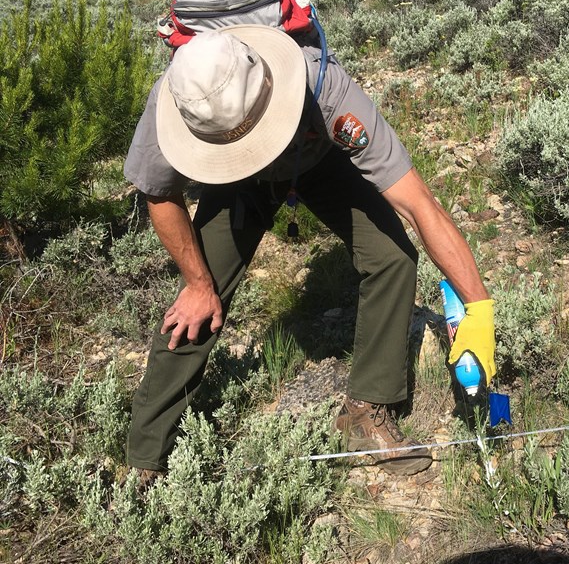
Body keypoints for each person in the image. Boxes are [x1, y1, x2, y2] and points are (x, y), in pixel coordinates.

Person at [123, 24, 496, 478]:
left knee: (393, 258)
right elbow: (159, 194)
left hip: (315, 157)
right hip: (235, 181)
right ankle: (144, 458)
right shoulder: (172, 104)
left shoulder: (325, 88)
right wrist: (199, 283)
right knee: (199, 305)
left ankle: (365, 411)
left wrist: (478, 308)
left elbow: (419, 205)